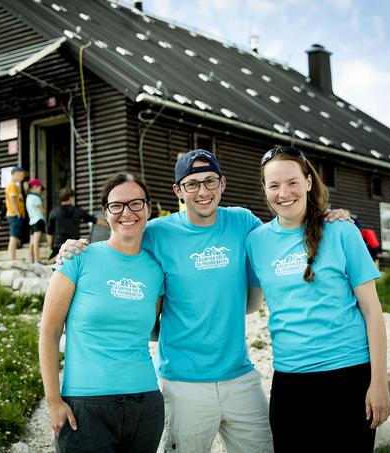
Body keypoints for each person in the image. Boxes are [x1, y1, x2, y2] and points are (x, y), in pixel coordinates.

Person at [59, 149, 351, 453]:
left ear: (222, 184)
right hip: (183, 383)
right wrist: (78, 247)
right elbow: (119, 240)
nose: (203, 191)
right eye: (192, 184)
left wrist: (331, 217)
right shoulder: (158, 232)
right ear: (178, 191)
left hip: (240, 377)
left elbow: (286, 230)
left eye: (210, 181)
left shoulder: (243, 222)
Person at [245, 146, 390, 452]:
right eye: (274, 185)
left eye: (292, 182)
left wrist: (379, 383)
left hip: (349, 378)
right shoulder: (256, 241)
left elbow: (372, 311)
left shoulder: (341, 231)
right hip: (290, 381)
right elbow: (249, 302)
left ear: (309, 182)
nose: (283, 193)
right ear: (264, 189)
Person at [39, 172, 165, 453]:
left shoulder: (156, 271)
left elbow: (152, 329)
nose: (127, 212)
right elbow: (49, 333)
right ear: (105, 214)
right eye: (116, 205)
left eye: (136, 203)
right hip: (85, 407)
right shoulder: (77, 258)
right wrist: (53, 402)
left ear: (148, 208)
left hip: (145, 404)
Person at [46, 188, 107, 263]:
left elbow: (49, 233)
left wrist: (50, 246)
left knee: (50, 261)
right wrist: (109, 225)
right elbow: (95, 221)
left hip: (58, 246)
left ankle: (55, 258)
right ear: (71, 198)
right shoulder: (78, 211)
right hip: (75, 246)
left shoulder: (54, 212)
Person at [5, 166, 26, 260]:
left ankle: (12, 257)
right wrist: (18, 213)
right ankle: (12, 258)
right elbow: (12, 200)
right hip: (14, 214)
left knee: (15, 236)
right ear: (16, 173)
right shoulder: (13, 185)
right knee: (13, 237)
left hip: (14, 214)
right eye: (22, 175)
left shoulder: (14, 185)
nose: (23, 177)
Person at [26, 178, 47, 263]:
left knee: (31, 242)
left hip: (31, 221)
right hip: (38, 220)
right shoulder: (36, 198)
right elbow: (42, 210)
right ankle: (37, 260)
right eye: (40, 188)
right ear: (35, 187)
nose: (40, 191)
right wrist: (46, 210)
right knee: (36, 241)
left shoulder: (28, 197)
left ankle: (32, 260)